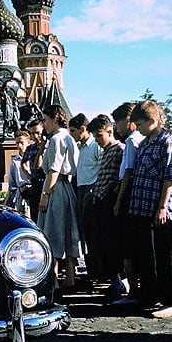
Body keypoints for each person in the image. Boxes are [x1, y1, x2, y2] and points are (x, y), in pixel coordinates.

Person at [127, 100, 172, 318]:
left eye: (139, 124)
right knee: (147, 257)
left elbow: (170, 178)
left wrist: (162, 207)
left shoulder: (166, 142)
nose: (137, 129)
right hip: (141, 208)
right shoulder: (146, 143)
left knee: (165, 257)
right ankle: (151, 297)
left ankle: (171, 300)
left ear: (151, 120)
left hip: (160, 210)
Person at [37, 105, 80, 292]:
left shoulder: (57, 139)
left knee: (52, 231)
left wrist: (46, 195)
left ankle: (53, 280)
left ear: (55, 119)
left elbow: (54, 169)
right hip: (66, 188)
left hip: (55, 189)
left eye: (45, 119)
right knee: (67, 230)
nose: (44, 124)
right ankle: (70, 276)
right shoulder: (68, 137)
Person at [86, 115, 125, 301]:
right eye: (94, 136)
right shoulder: (103, 152)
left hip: (111, 201)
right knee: (103, 244)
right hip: (100, 201)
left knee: (113, 244)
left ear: (110, 131)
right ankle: (113, 280)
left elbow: (122, 176)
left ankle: (120, 281)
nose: (97, 140)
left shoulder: (120, 149)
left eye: (99, 136)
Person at [111, 102, 145, 305]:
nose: (117, 127)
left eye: (118, 122)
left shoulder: (132, 140)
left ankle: (133, 291)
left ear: (128, 121)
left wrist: (118, 199)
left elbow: (128, 171)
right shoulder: (140, 138)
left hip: (128, 196)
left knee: (127, 249)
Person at [68, 113, 103, 283]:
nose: (72, 134)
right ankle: (92, 270)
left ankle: (99, 271)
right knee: (85, 234)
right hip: (81, 189)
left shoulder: (95, 146)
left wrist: (94, 191)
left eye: (73, 131)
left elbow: (101, 168)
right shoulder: (80, 148)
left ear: (83, 129)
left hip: (91, 189)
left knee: (94, 233)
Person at [22, 119, 47, 221]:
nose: (36, 136)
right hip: (36, 182)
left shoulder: (50, 145)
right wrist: (29, 176)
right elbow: (23, 163)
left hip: (48, 181)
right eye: (32, 133)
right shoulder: (30, 148)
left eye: (38, 133)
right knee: (35, 215)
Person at [3, 130, 31, 216]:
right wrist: (7, 199)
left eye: (22, 143)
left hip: (32, 189)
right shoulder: (15, 161)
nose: (19, 146)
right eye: (17, 143)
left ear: (28, 142)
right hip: (21, 191)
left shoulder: (33, 157)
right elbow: (12, 183)